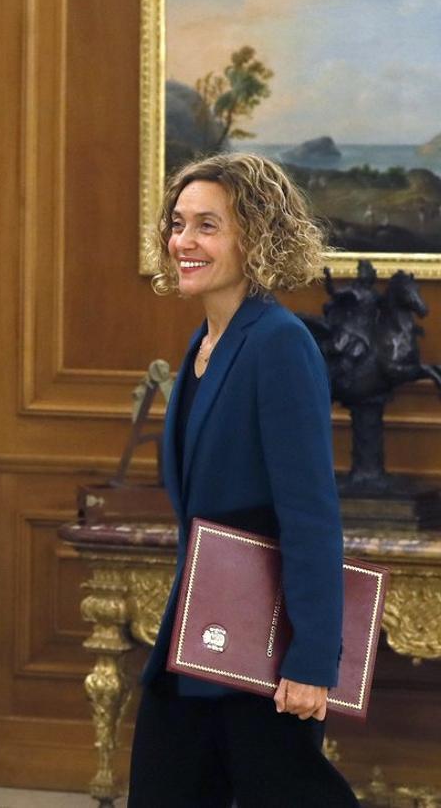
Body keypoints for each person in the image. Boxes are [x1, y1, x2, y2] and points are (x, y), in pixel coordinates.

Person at [128, 153, 358, 807]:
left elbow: (310, 515)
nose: (183, 241)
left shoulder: (279, 343)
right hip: (199, 639)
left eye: (207, 226)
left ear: (256, 238)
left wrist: (313, 659)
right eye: (178, 224)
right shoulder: (205, 344)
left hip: (264, 654)